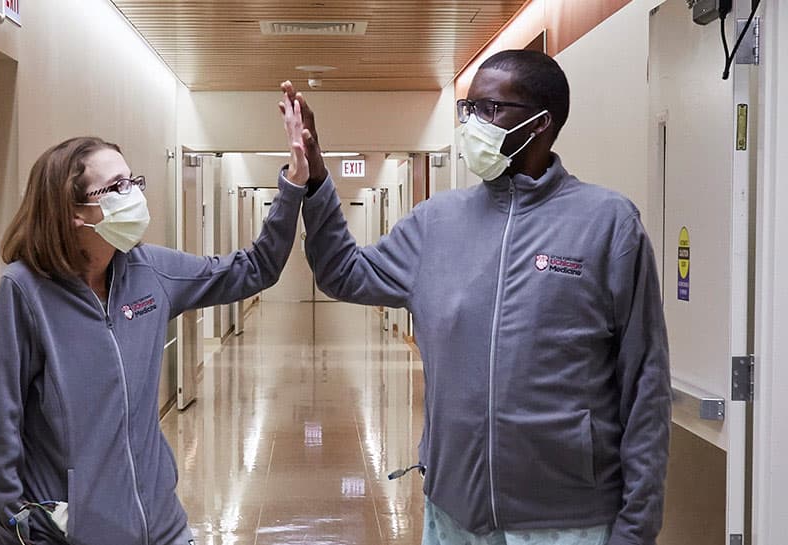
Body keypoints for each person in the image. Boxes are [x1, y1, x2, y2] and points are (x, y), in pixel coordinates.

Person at [285, 49, 670, 545]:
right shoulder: (436, 222)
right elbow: (344, 273)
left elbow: (644, 381)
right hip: (454, 513)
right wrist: (317, 177)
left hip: (566, 519)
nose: (472, 124)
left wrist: (637, 527)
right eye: (468, 110)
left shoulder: (607, 224)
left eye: (490, 109)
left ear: (540, 123)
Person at [0, 94, 315, 545]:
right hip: (79, 534)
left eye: (133, 181)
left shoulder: (148, 271)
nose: (133, 195)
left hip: (162, 526)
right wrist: (22, 533)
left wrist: (293, 184)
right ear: (74, 212)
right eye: (116, 188)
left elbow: (254, 268)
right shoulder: (25, 291)